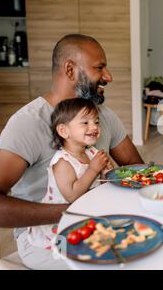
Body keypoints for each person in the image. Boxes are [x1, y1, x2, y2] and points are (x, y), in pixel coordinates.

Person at [0, 34, 144, 269]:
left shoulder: (104, 116)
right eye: (99, 67)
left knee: (149, 248)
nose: (108, 76)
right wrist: (73, 212)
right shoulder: (28, 123)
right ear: (70, 70)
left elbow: (135, 167)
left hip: (95, 224)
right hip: (45, 239)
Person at [27, 98, 112, 252]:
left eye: (96, 122)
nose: (94, 127)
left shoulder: (92, 152)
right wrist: (93, 169)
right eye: (85, 123)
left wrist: (106, 173)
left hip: (85, 213)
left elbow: (101, 185)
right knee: (86, 249)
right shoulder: (63, 162)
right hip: (61, 223)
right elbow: (72, 196)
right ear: (63, 131)